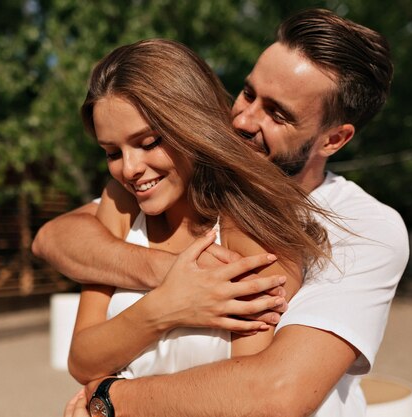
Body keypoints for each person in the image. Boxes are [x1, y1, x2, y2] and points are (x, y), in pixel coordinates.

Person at [33, 8, 409, 417]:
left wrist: (109, 400)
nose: (243, 120)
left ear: (334, 139)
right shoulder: (158, 188)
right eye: (248, 94)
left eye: (277, 114)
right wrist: (175, 282)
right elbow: (54, 238)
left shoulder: (363, 226)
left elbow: (274, 394)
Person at [67, 38, 331, 390]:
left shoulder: (251, 227)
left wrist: (111, 402)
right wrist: (166, 307)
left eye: (148, 143)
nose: (129, 169)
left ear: (194, 125)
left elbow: (248, 395)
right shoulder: (118, 205)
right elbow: (82, 360)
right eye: (112, 152)